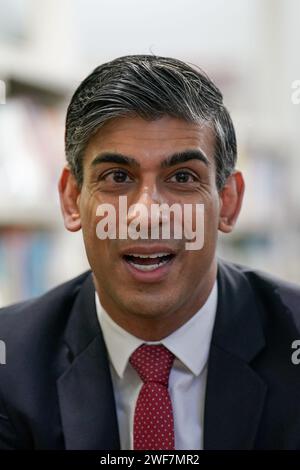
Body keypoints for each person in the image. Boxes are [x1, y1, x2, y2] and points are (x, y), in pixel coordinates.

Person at [0, 55, 299, 450]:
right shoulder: (10, 363)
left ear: (227, 202)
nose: (146, 214)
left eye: (182, 178)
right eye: (118, 177)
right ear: (73, 199)